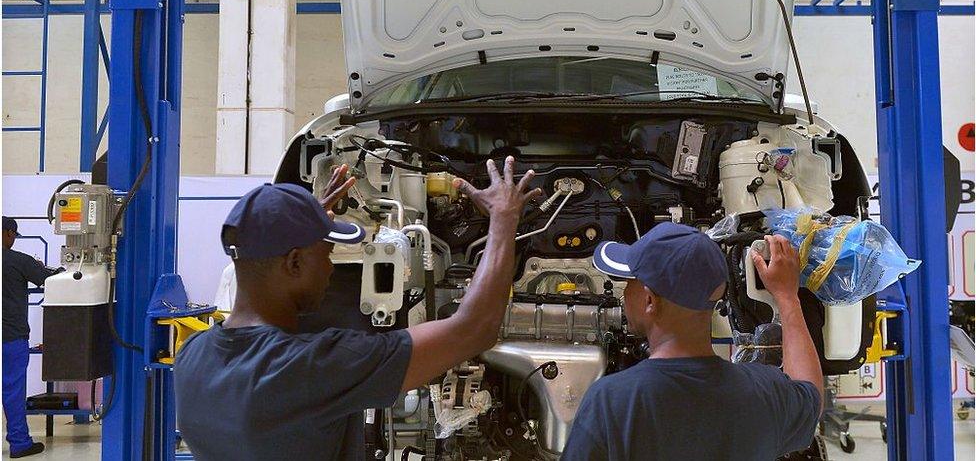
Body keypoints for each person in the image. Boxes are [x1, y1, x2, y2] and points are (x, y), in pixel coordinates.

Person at [174, 157, 541, 460]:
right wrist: (503, 219)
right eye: (327, 254)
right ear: (294, 263)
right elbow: (474, 329)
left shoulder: (192, 356)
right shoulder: (312, 369)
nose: (332, 268)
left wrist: (302, 219)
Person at [562, 224, 823, 461]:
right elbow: (811, 398)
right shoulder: (763, 394)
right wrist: (788, 297)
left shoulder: (611, 402)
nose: (625, 292)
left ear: (650, 301)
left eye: (630, 282)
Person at [3, 216, 62, 458]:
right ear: (8, 233)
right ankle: (19, 444)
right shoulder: (17, 261)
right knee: (13, 391)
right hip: (10, 338)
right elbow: (51, 279)